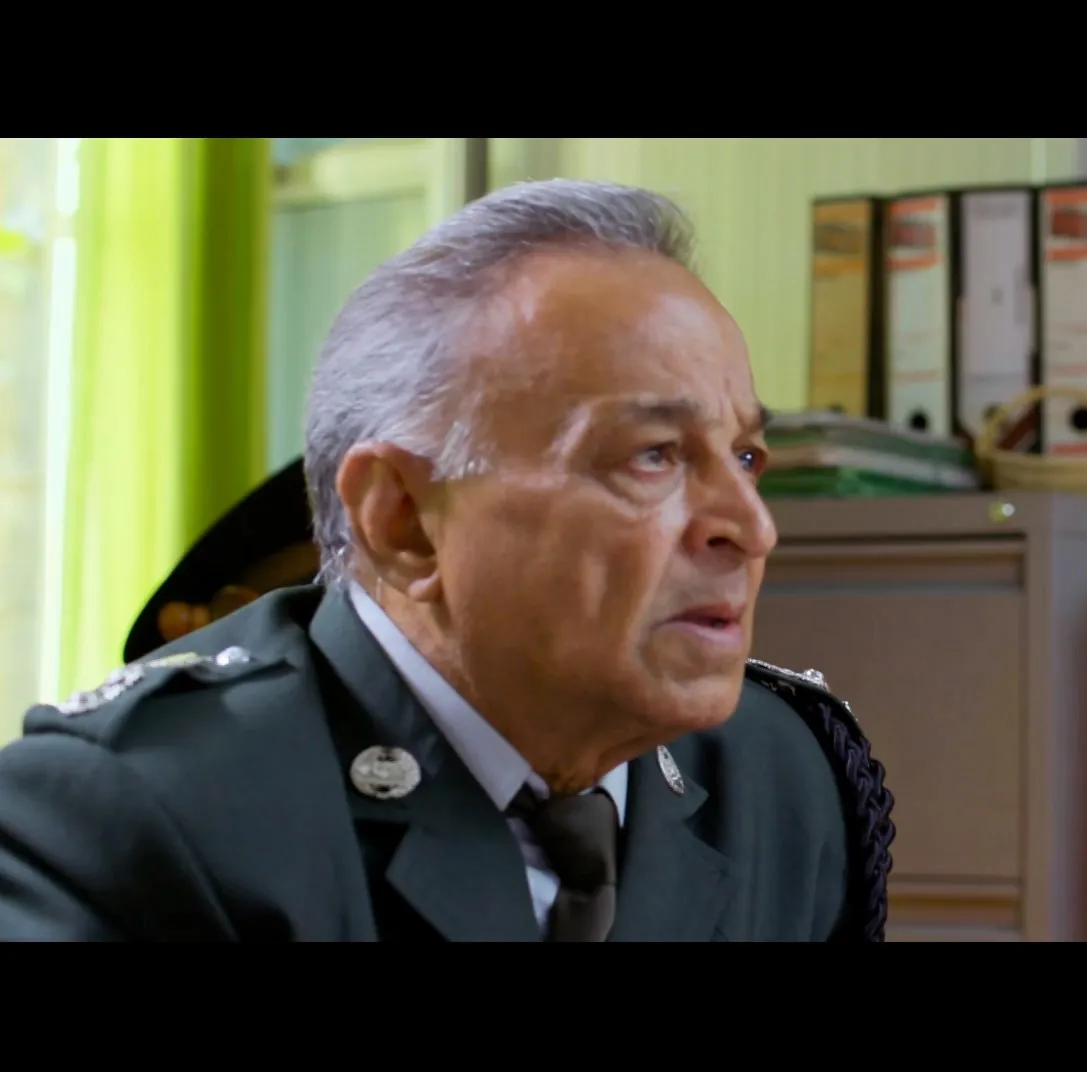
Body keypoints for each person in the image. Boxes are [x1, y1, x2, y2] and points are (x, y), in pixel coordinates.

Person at [0, 179, 896, 942]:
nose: (751, 528)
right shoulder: (136, 812)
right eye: (653, 456)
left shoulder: (777, 774)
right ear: (404, 522)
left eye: (744, 457)